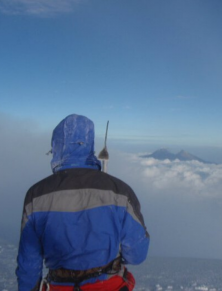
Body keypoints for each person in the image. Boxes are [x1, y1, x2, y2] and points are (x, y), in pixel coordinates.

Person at [16, 114, 150, 291]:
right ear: (90, 146)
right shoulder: (121, 192)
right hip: (110, 285)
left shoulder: (35, 196)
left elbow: (29, 264)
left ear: (56, 149)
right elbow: (137, 254)